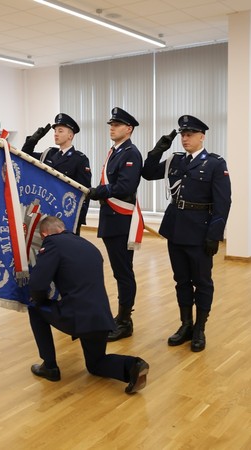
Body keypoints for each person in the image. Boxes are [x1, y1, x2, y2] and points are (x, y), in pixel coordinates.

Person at [28, 216, 149, 395]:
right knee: (96, 364)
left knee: (34, 309)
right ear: (63, 228)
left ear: (45, 234)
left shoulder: (53, 243)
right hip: (101, 317)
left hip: (77, 315)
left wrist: (41, 300)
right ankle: (133, 365)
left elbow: (38, 285)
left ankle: (50, 367)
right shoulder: (87, 245)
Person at [142, 115, 231, 352]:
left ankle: (200, 328)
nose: (184, 138)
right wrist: (158, 150)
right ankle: (185, 325)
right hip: (176, 228)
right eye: (182, 134)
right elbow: (148, 173)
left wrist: (215, 234)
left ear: (202, 136)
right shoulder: (175, 160)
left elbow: (223, 203)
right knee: (181, 280)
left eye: (189, 134)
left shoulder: (215, 163)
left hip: (201, 231)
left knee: (202, 282)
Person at [88, 107, 143, 342]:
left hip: (121, 220)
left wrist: (97, 192)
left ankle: (124, 321)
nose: (112, 127)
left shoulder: (131, 153)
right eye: (111, 124)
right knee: (119, 271)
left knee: (123, 272)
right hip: (111, 219)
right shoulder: (115, 151)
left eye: (117, 124)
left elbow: (124, 187)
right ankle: (120, 317)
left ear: (128, 129)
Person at [21, 113, 91, 235]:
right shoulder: (49, 154)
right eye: (55, 131)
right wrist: (33, 140)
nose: (56, 134)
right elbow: (25, 155)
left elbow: (84, 190)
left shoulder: (79, 159)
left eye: (60, 131)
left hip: (66, 212)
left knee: (67, 247)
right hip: (47, 210)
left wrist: (79, 217)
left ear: (70, 135)